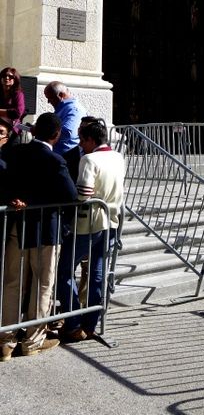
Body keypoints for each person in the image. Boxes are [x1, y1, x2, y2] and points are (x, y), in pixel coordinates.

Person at [0, 112, 77, 361]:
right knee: (42, 285)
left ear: (33, 131)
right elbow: (70, 195)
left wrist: (18, 199)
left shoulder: (15, 153)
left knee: (13, 283)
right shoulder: (55, 161)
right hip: (46, 230)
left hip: (18, 226)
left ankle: (6, 341)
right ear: (57, 135)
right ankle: (33, 340)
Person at [57, 119, 125, 341]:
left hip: (88, 223)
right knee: (97, 274)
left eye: (82, 139)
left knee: (64, 271)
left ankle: (74, 322)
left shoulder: (89, 159)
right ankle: (90, 323)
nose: (80, 144)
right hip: (111, 221)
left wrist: (79, 197)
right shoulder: (118, 157)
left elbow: (83, 191)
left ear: (90, 140)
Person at [44, 81, 87, 181]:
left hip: (68, 157)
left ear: (61, 95)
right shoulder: (63, 108)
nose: (49, 102)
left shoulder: (74, 109)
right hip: (60, 156)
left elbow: (68, 132)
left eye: (50, 98)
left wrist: (43, 131)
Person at [0, 67, 25, 146]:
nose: (7, 78)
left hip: (12, 133)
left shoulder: (18, 94)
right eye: (4, 76)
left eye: (10, 76)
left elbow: (17, 113)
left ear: (15, 79)